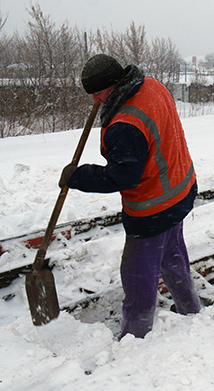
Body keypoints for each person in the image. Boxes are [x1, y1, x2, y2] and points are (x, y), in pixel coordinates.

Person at [60, 54, 201, 339]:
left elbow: (121, 176)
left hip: (153, 208)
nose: (95, 101)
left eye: (98, 93)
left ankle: (134, 338)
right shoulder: (152, 86)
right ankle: (191, 309)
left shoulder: (124, 124)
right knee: (173, 255)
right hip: (180, 189)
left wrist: (78, 176)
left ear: (114, 84)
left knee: (138, 276)